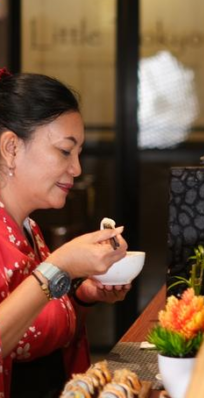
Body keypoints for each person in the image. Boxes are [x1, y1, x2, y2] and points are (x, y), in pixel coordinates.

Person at [0, 69, 130, 397]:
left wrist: (83, 295)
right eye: (64, 151)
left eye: (78, 152)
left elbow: (41, 329)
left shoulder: (29, 229)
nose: (77, 168)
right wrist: (61, 266)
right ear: (11, 148)